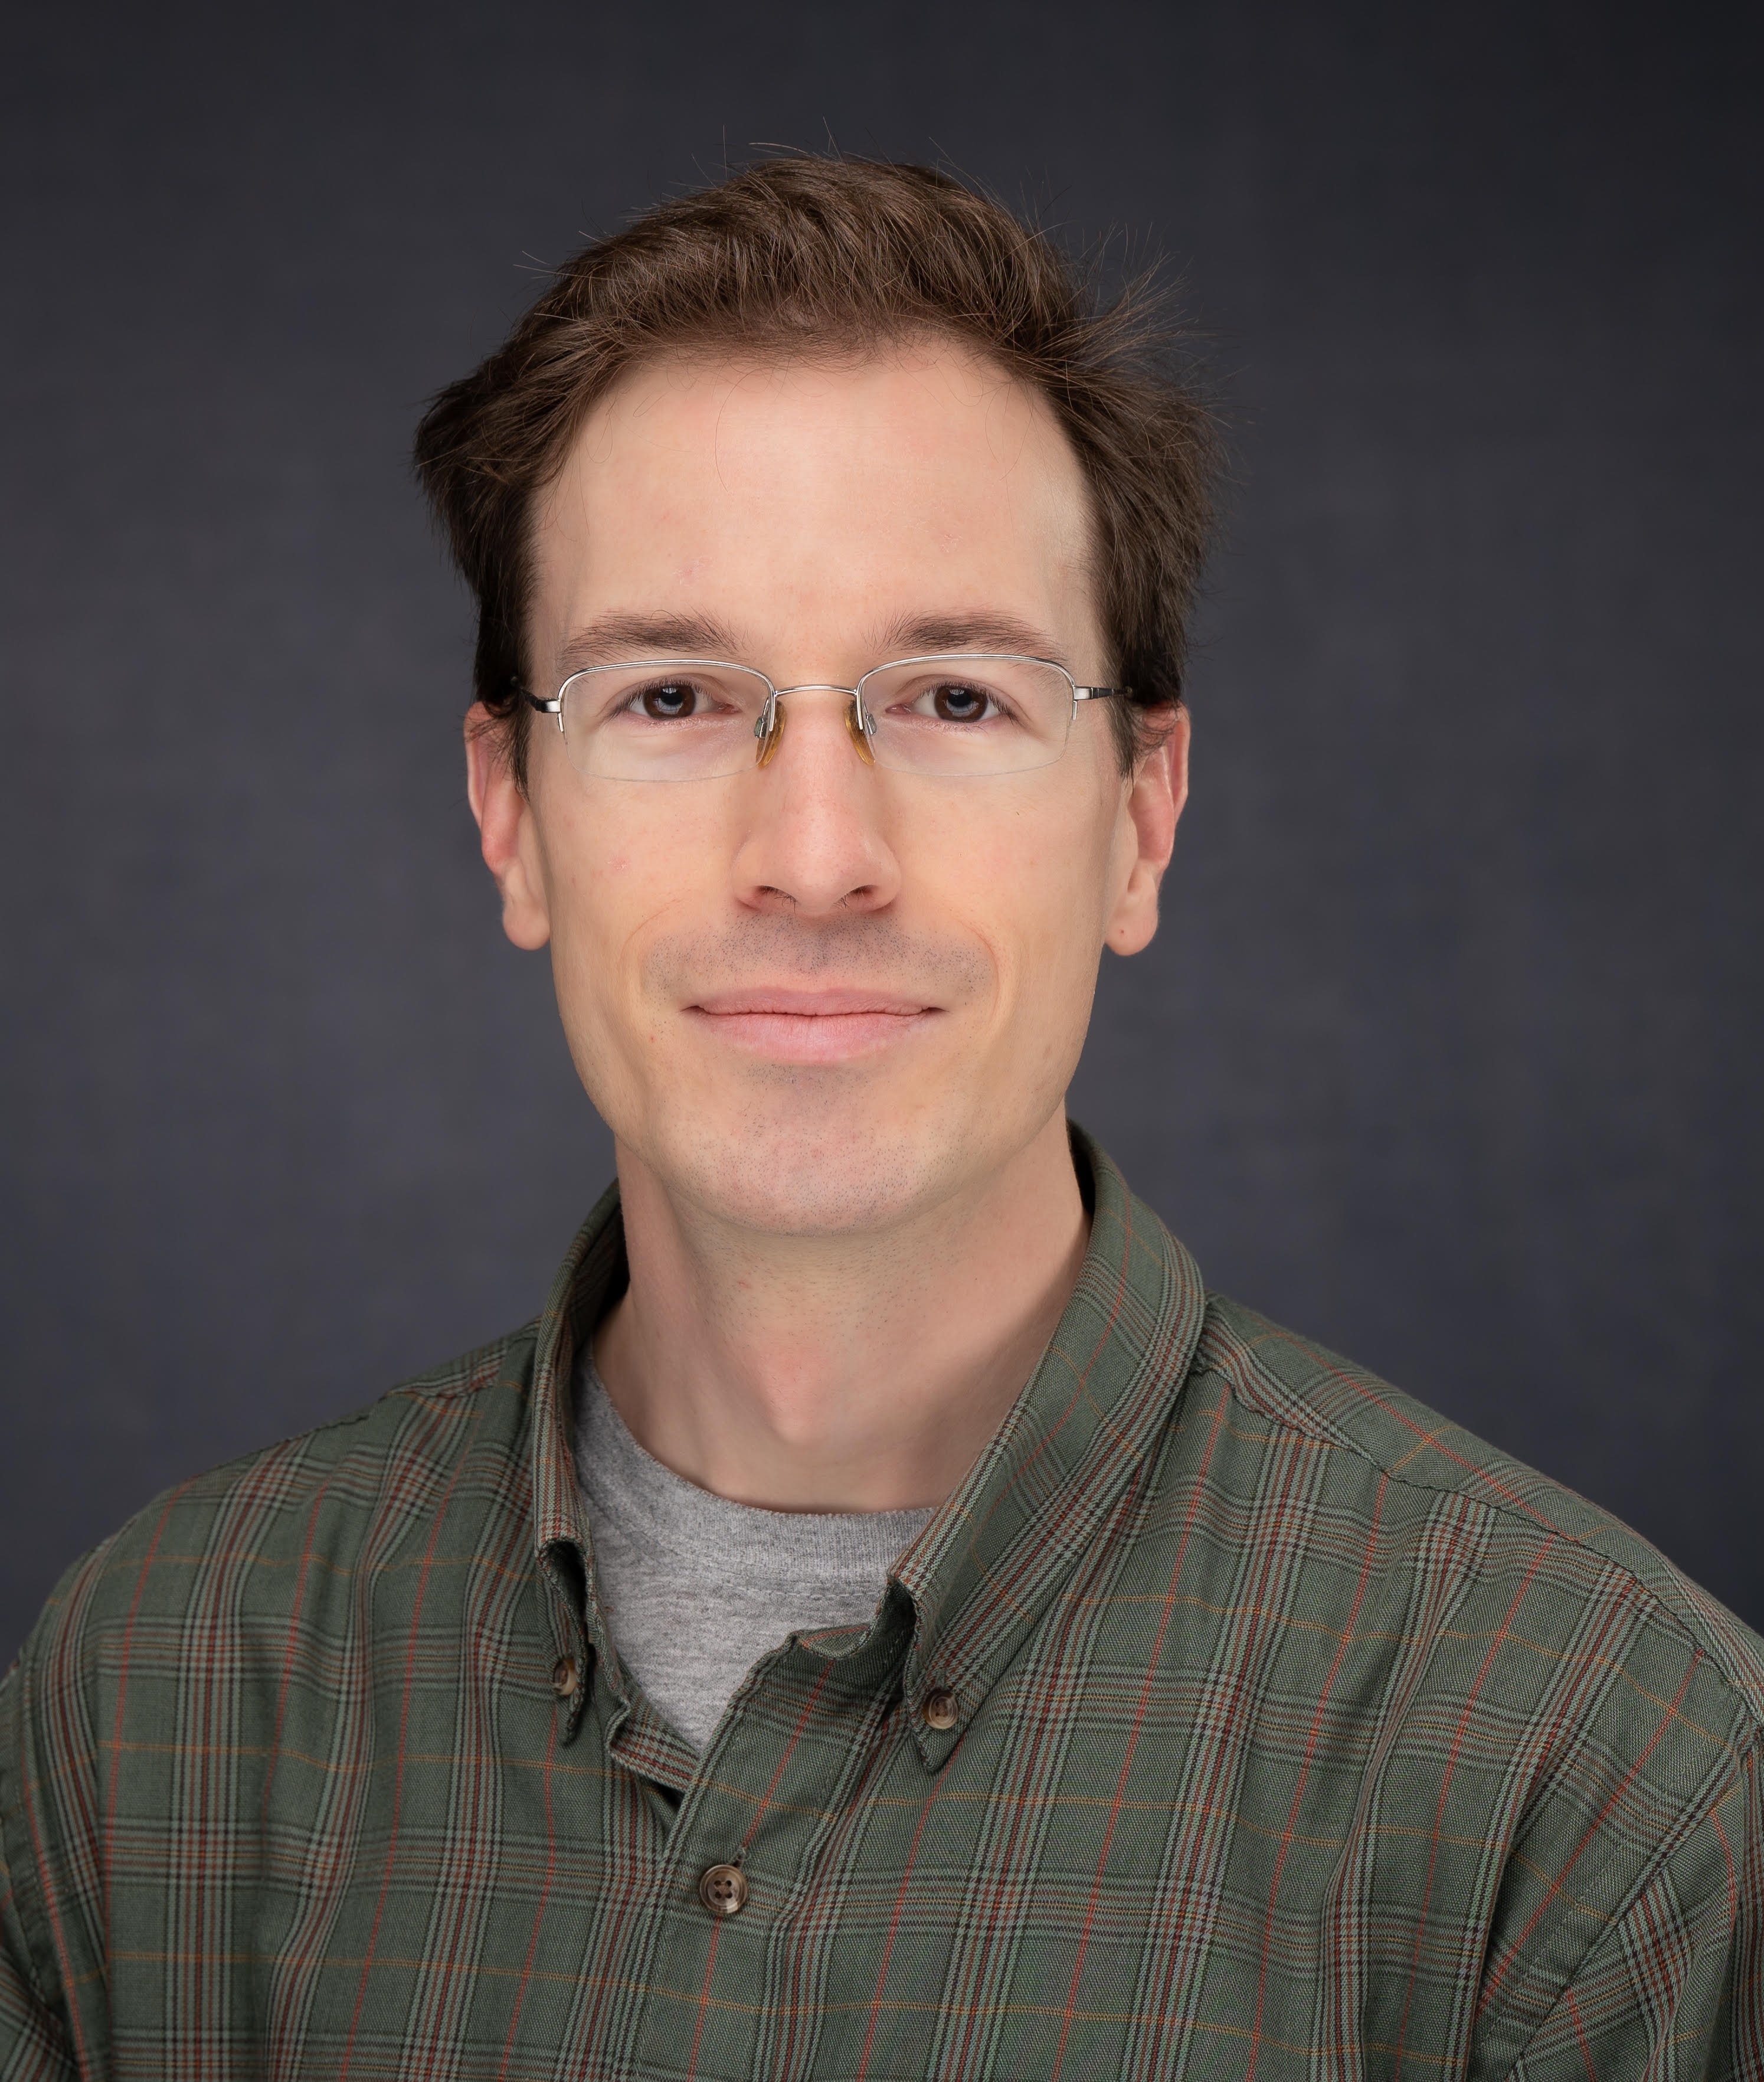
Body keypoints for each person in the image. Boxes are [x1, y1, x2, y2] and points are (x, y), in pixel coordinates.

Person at [2, 156, 1760, 2082]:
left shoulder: (1600, 1776)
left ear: (1142, 815)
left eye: (953, 697)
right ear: (511, 813)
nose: (817, 858)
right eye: (672, 694)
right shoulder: (149, 1702)